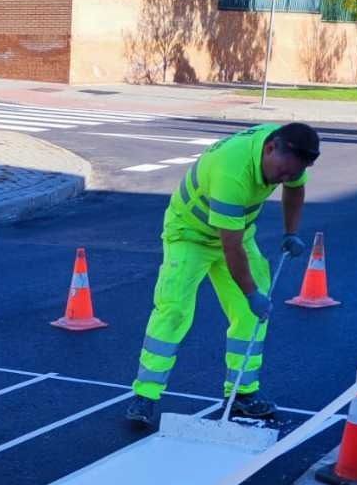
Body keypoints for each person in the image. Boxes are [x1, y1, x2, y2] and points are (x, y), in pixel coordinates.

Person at [124, 121, 321, 430]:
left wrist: (291, 231)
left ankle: (243, 393)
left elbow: (295, 190)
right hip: (190, 234)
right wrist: (251, 292)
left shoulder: (291, 151)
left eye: (292, 173)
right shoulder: (232, 171)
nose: (285, 178)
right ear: (270, 149)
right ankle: (145, 395)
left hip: (236, 233)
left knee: (251, 316)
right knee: (173, 310)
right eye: (282, 172)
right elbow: (230, 248)